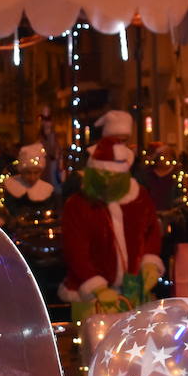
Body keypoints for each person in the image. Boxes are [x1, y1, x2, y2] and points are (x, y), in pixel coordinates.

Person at [59, 133, 164, 319]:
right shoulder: (77, 205)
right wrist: (97, 286)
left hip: (134, 291)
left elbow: (151, 232)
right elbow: (75, 251)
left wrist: (150, 263)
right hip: (91, 297)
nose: (107, 182)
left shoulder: (140, 198)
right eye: (102, 176)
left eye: (113, 177)